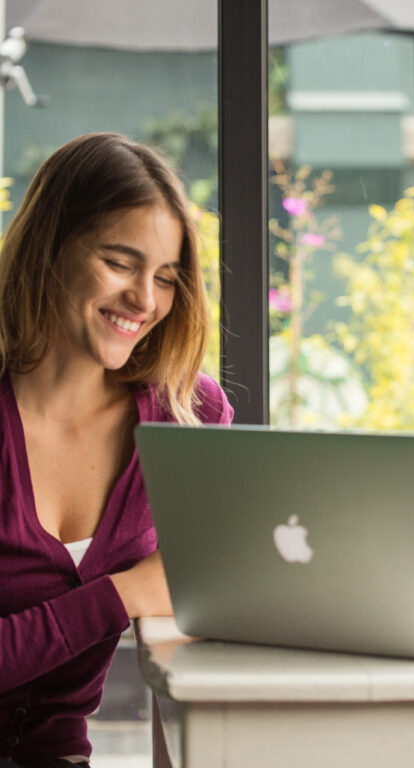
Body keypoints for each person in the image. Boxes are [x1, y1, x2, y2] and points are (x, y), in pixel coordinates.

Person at [0, 132, 234, 768]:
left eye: (165, 277)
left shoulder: (188, 415)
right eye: (120, 263)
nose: (146, 300)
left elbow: (208, 593)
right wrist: (123, 594)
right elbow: (147, 589)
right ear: (52, 245)